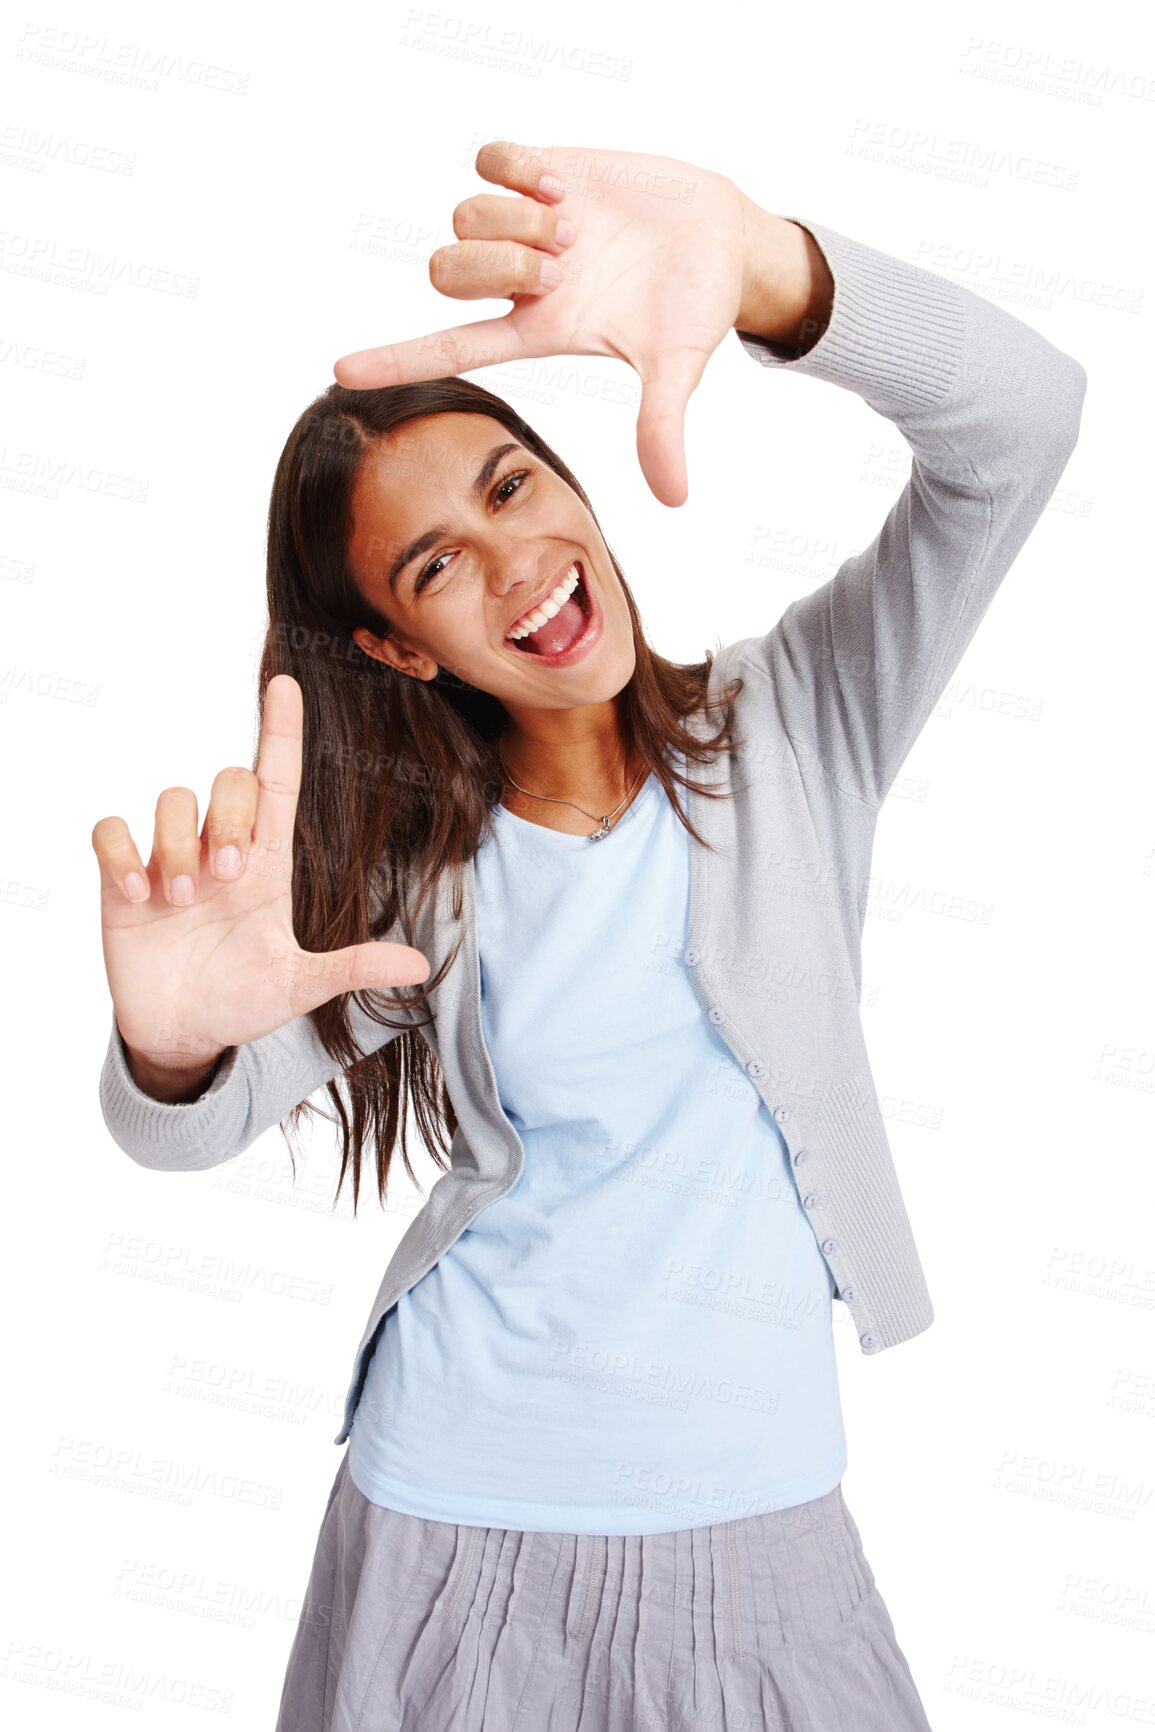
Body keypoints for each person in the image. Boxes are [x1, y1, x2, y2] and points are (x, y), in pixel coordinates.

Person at [94, 141, 1087, 1730]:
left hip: (765, 1530)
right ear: (395, 647)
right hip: (454, 1528)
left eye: (511, 488)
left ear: (564, 474)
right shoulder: (409, 874)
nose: (516, 565)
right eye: (437, 566)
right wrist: (172, 1041)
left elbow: (1027, 423)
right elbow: (177, 1128)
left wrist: (772, 266)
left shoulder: (799, 725)